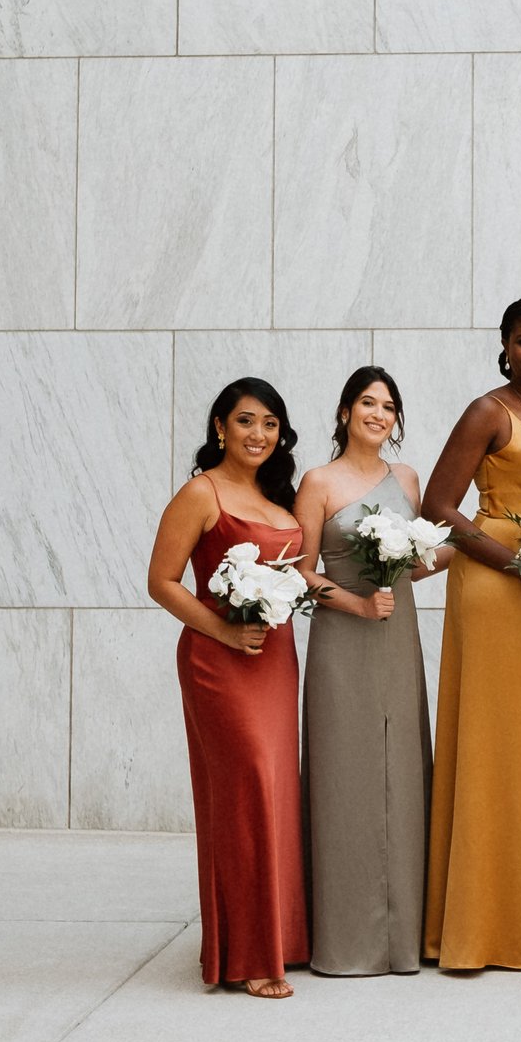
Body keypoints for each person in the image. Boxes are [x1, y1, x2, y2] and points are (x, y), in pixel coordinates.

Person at [417, 298, 521, 970]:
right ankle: (479, 925)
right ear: (505, 346)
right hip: (498, 589)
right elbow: (437, 504)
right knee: (494, 747)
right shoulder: (488, 411)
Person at [145, 377, 309, 997]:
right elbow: (162, 581)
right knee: (242, 793)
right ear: (219, 426)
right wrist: (222, 630)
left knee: (272, 792)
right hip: (219, 663)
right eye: (245, 421)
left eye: (269, 424)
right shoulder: (201, 492)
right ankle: (246, 956)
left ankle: (277, 940)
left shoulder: (278, 498)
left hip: (275, 661)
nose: (258, 434)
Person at [293, 366, 450, 977]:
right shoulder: (318, 482)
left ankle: (404, 938)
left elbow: (415, 564)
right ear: (343, 413)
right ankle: (347, 938)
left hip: (397, 637)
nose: (378, 414)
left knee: (404, 772)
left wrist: (470, 544)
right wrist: (357, 601)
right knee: (346, 776)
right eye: (367, 402)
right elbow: (300, 570)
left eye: (388, 406)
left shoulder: (406, 479)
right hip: (342, 640)